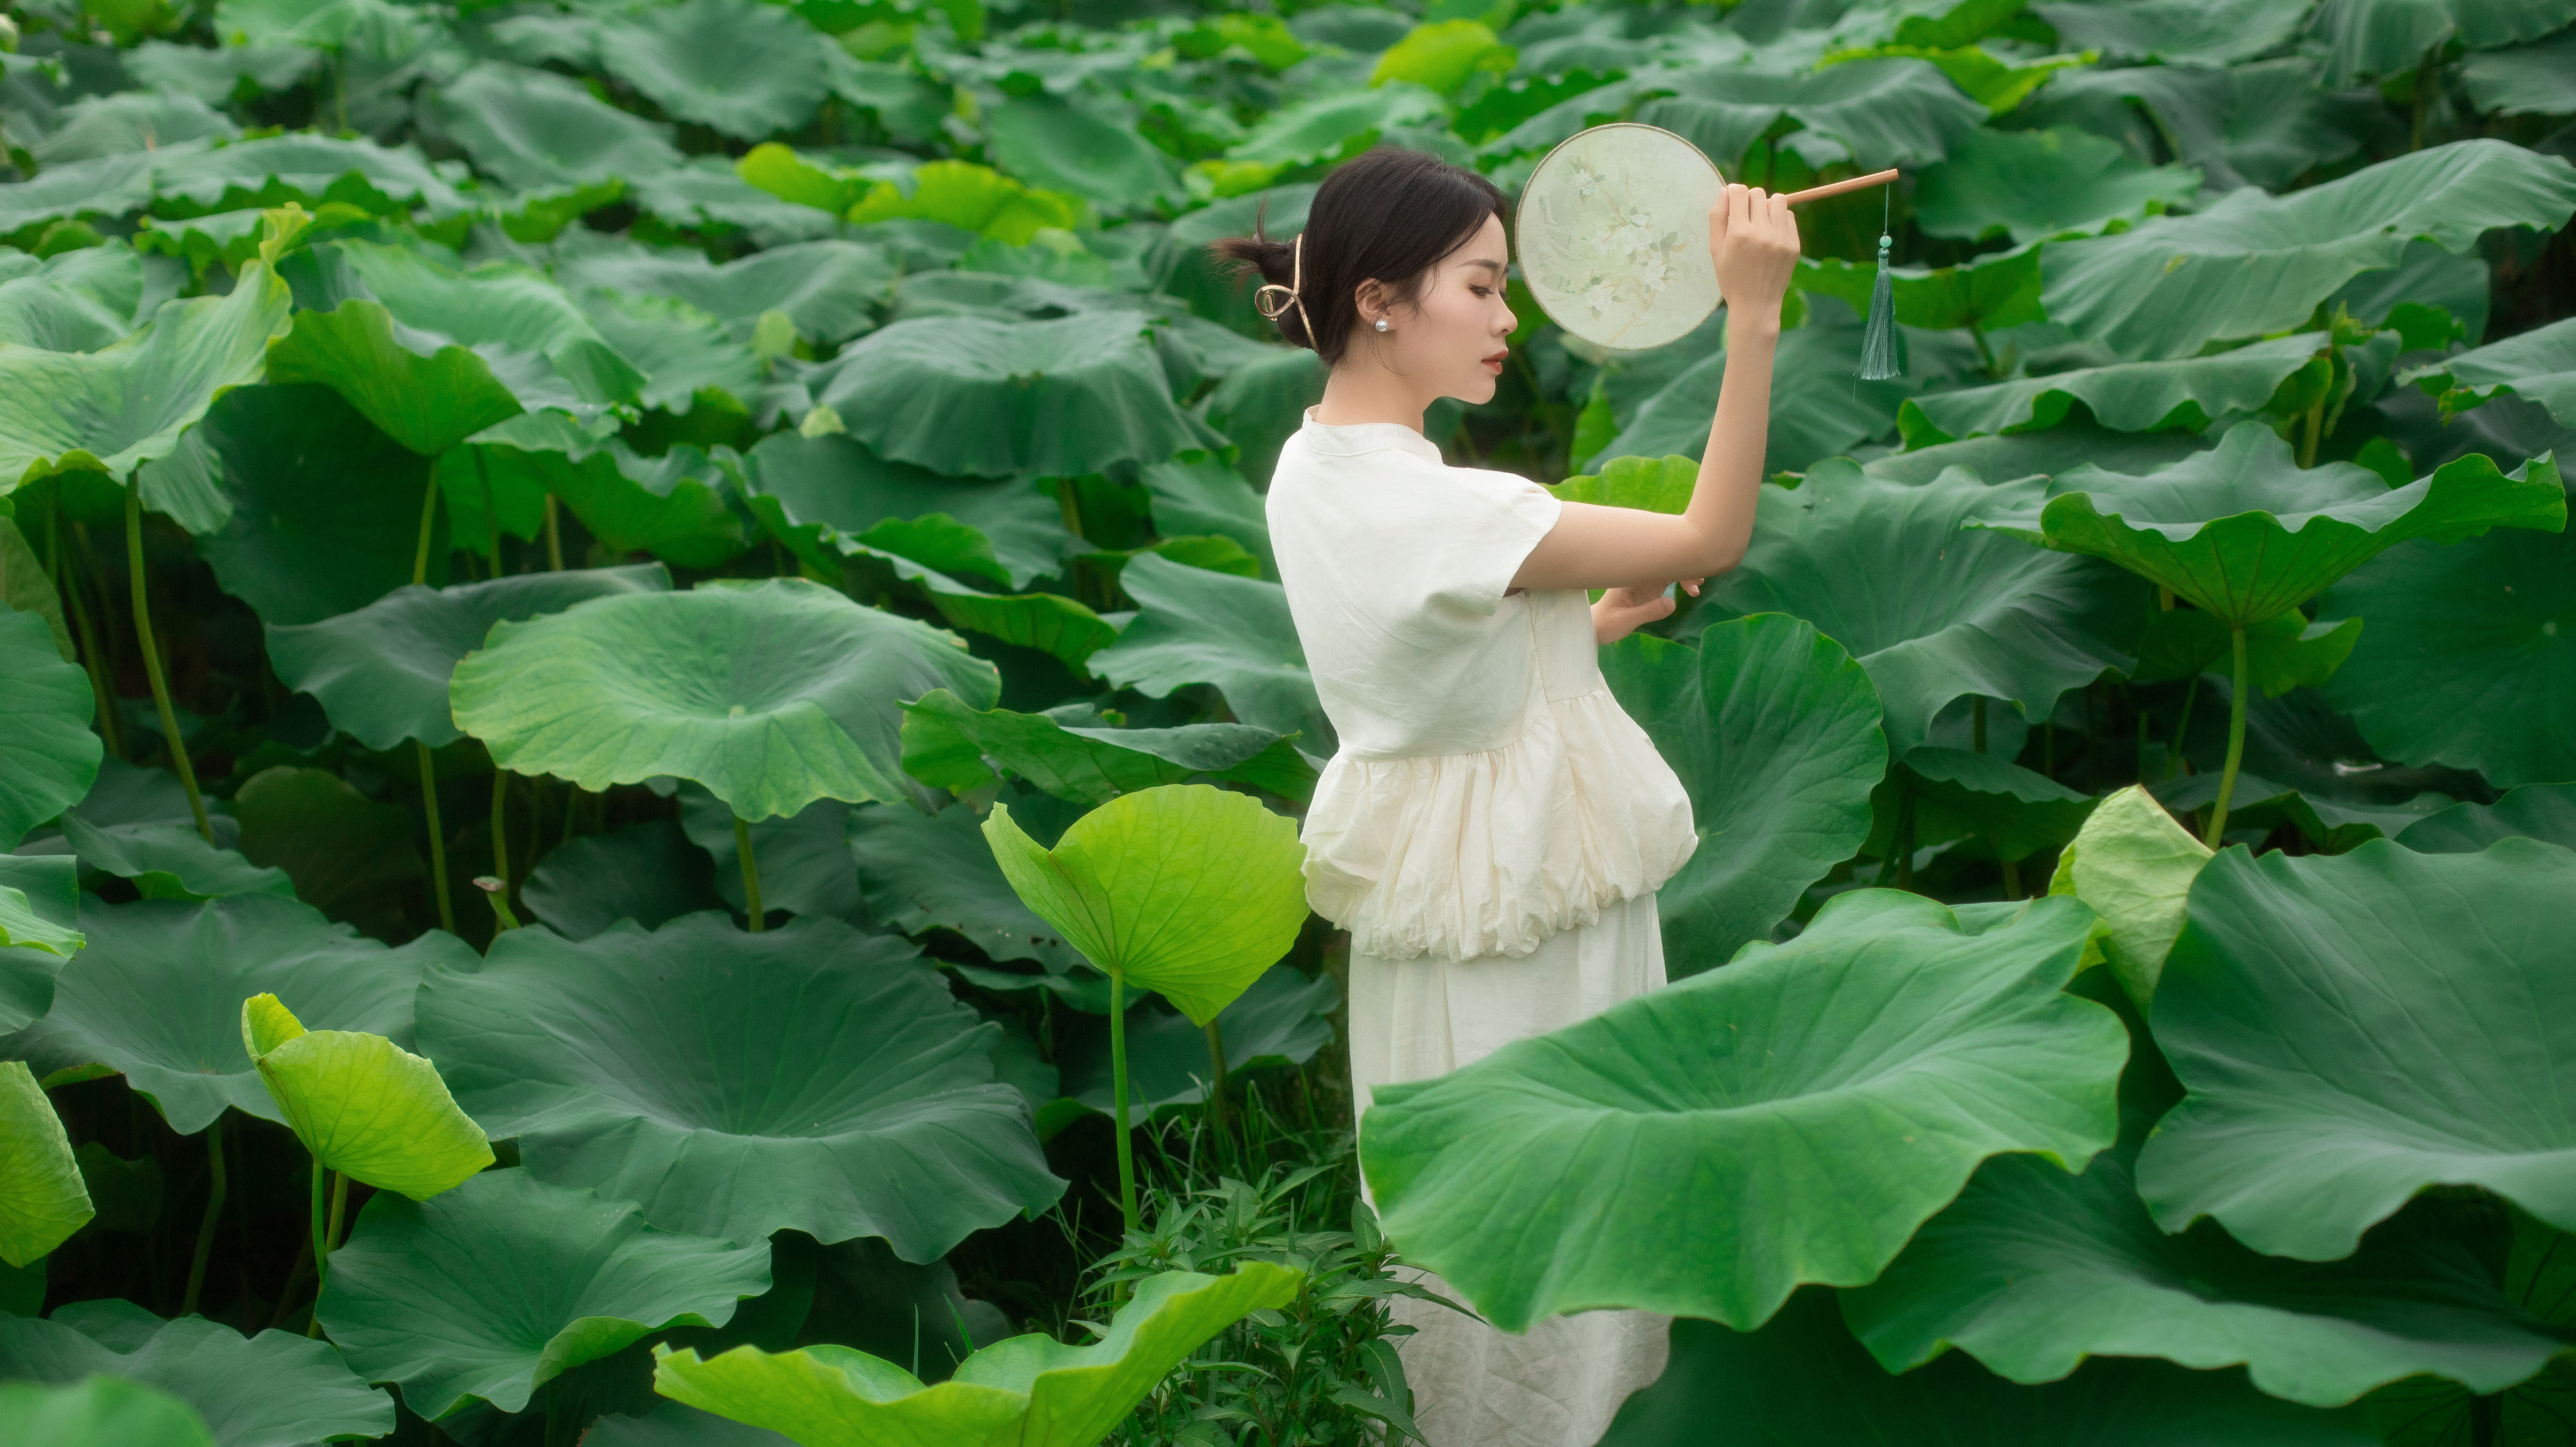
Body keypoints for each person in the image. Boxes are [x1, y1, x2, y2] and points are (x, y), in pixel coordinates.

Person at [1207, 144, 1802, 1446]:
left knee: (1457, 1243)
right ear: (1379, 299)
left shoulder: (1317, 468)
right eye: (1480, 287)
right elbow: (1711, 537)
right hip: (1531, 915)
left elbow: (1419, 681)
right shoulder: (1465, 510)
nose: (1505, 318)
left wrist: (1568, 631)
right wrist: (1750, 319)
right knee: (1575, 1223)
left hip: (1443, 917)